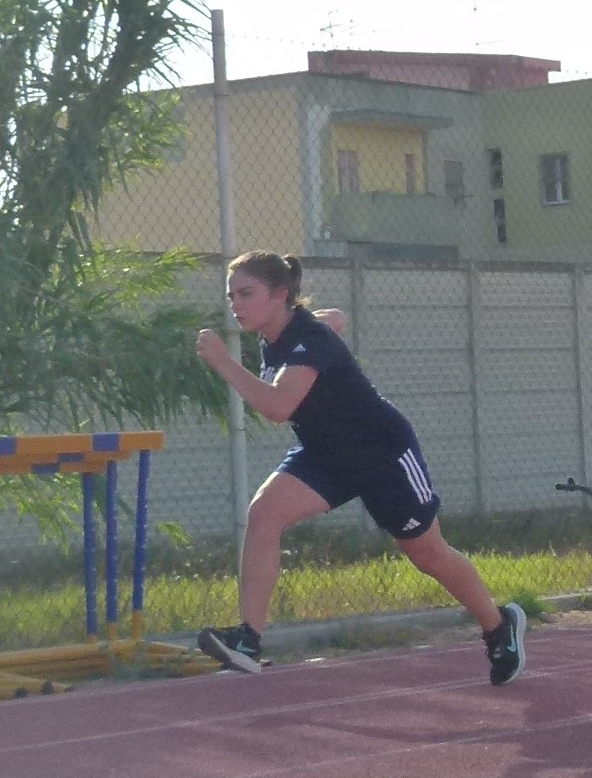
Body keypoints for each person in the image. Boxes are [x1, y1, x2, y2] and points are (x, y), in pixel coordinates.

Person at [193, 251, 526, 685]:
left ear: (279, 295)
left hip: (381, 454)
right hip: (326, 455)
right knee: (264, 514)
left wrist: (223, 362)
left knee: (427, 553)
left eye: (246, 294)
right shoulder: (282, 334)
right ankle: (247, 641)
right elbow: (330, 322)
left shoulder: (308, 338)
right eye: (231, 295)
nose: (235, 304)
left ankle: (499, 627)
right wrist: (331, 321)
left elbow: (278, 406)